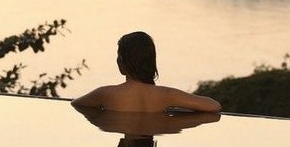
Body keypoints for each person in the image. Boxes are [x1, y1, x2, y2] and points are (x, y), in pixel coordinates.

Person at [71, 31, 221, 113]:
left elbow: (76, 104)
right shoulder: (167, 95)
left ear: (122, 63)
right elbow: (214, 106)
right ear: (151, 62)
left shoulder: (105, 94)